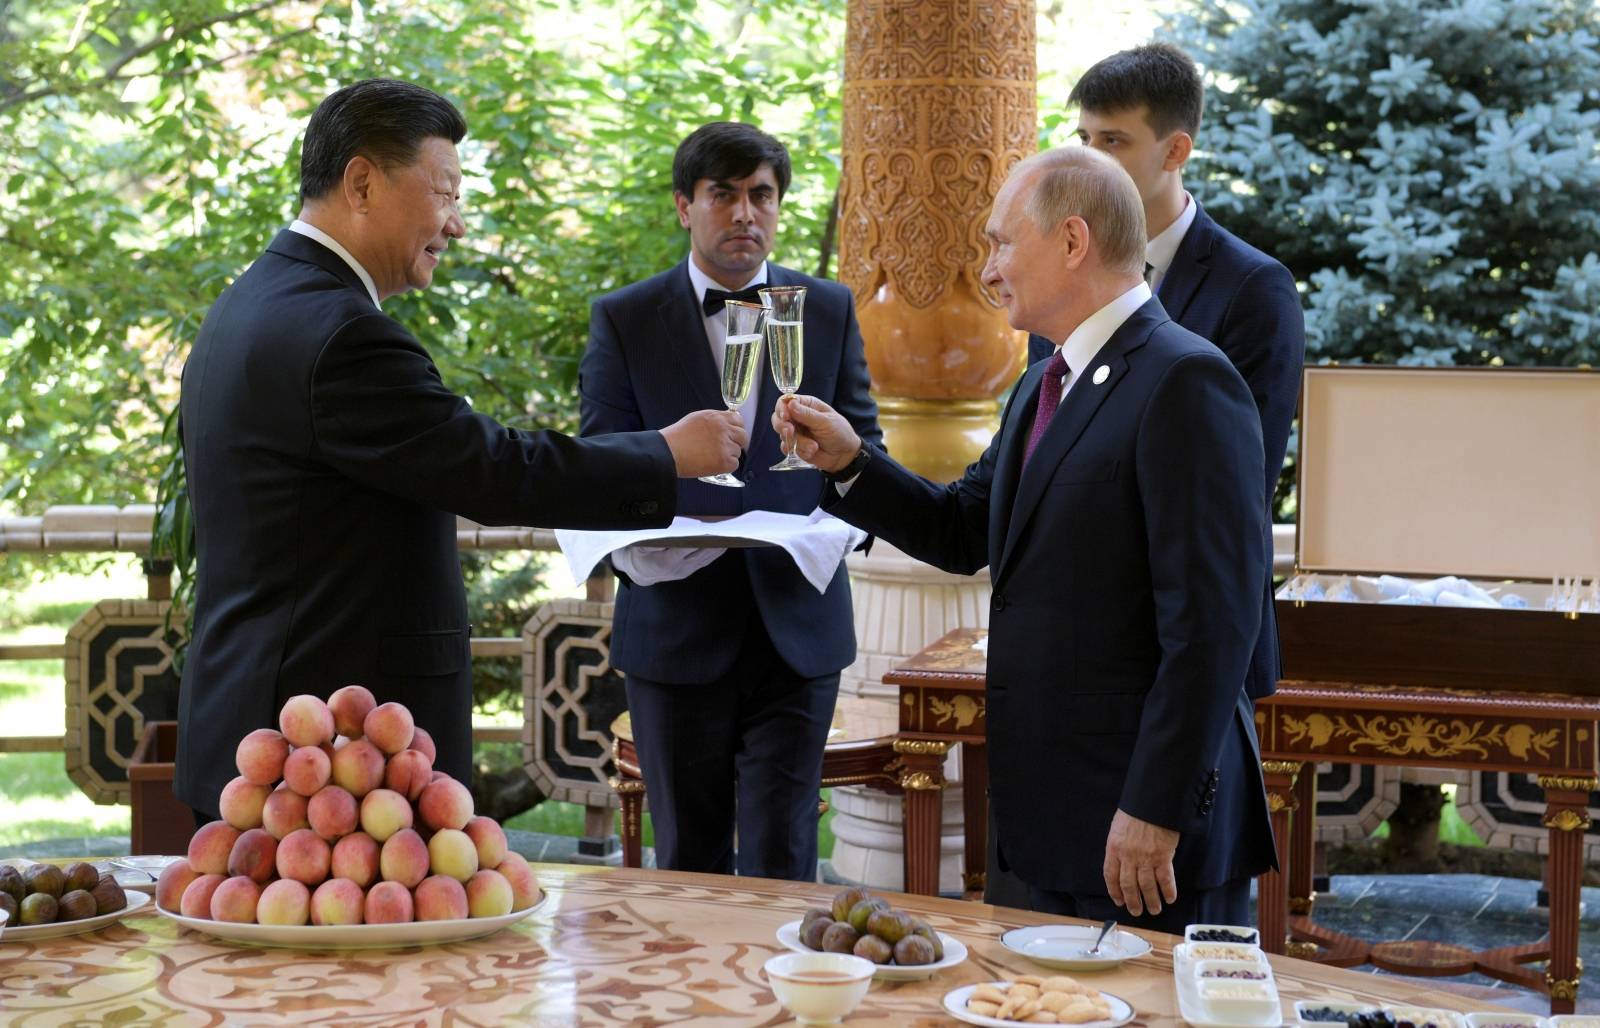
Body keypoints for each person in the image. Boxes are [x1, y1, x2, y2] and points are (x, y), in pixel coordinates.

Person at [175, 79, 745, 823]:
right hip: (326, 758)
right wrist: (665, 453)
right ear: (362, 182)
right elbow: (490, 468)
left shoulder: (247, 303)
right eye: (445, 194)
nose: (458, 225)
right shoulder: (343, 333)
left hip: (261, 729)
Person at [776, 147, 1275, 929]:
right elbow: (961, 527)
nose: (990, 267)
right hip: (1046, 820)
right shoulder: (1045, 379)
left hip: (1141, 834)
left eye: (1002, 241)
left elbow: (1214, 626)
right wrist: (849, 462)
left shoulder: (1185, 380)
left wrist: (1155, 806)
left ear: (1073, 242)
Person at [579, 121, 881, 880]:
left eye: (761, 195)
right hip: (676, 629)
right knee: (688, 865)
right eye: (724, 195)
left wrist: (843, 528)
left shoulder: (829, 308)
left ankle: (792, 1002)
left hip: (798, 627)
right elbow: (599, 463)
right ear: (685, 206)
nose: (745, 213)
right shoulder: (625, 317)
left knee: (785, 858)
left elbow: (864, 456)